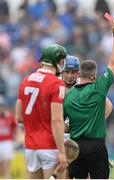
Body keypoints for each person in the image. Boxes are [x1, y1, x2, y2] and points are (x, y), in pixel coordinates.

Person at [63, 19, 114, 179]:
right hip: (96, 145)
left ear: (79, 74)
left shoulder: (67, 96)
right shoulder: (99, 87)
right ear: (95, 76)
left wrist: (74, 126)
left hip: (75, 147)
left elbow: (61, 125)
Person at [15, 44, 68, 179]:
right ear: (58, 61)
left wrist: (36, 121)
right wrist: (62, 152)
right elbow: (57, 120)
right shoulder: (56, 83)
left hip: (30, 147)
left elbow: (19, 117)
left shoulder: (26, 80)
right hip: (49, 146)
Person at [0, 95, 17, 179]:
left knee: (6, 164)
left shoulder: (9, 116)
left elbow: (15, 128)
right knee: (1, 167)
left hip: (7, 142)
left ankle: (7, 178)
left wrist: (15, 140)